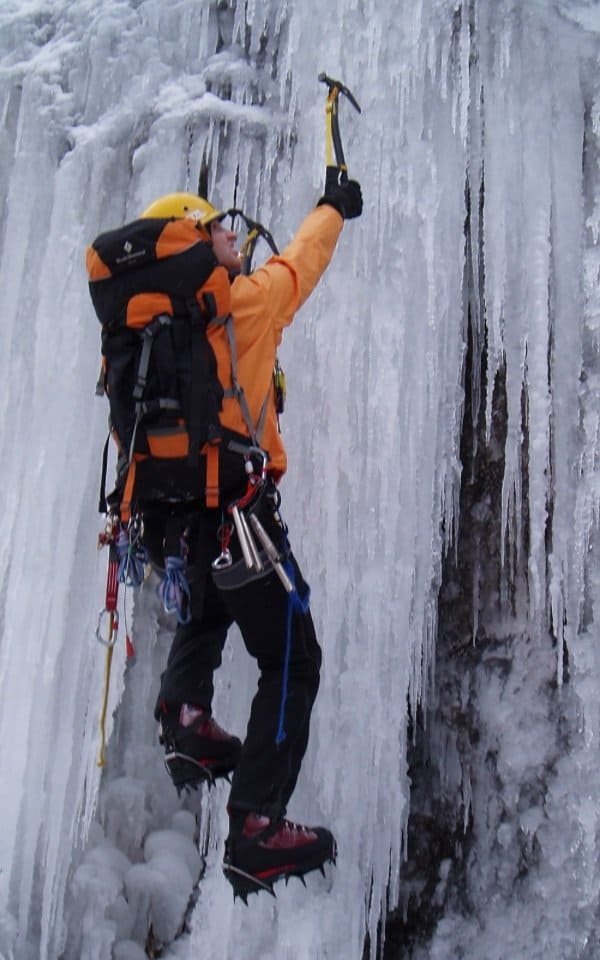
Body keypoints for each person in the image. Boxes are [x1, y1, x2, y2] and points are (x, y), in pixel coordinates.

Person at [140, 174, 362, 895]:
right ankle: (258, 823)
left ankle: (185, 713)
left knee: (208, 603)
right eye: (223, 230)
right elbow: (300, 262)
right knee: (293, 659)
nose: (235, 236)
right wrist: (332, 207)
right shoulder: (246, 304)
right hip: (243, 518)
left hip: (182, 525)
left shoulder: (148, 331)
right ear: (201, 241)